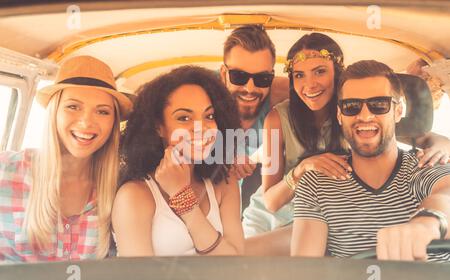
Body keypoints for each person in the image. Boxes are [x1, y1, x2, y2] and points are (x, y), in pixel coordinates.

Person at [243, 33, 450, 253]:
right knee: (240, 258)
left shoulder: (358, 113)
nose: (309, 84)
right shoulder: (277, 119)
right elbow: (271, 202)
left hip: (327, 216)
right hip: (277, 214)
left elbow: (398, 134)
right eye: (299, 75)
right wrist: (303, 168)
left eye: (320, 72)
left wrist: (442, 144)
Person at [292, 60, 449, 262]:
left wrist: (428, 223)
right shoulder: (317, 184)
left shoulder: (427, 165)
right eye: (351, 106)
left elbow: (445, 195)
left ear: (398, 111)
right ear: (340, 115)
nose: (365, 116)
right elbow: (305, 270)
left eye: (379, 105)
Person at [0, 55, 132, 263]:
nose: (86, 122)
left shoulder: (122, 188)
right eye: (73, 106)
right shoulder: (5, 171)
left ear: (113, 124)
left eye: (102, 111)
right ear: (54, 112)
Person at [112, 66, 244, 256]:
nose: (201, 128)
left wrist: (184, 201)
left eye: (209, 116)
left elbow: (236, 264)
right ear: (159, 127)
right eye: (184, 118)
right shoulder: (134, 196)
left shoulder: (225, 183)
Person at [220, 25, 289, 210]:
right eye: (238, 76)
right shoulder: (202, 94)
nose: (250, 88)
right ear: (223, 74)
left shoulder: (283, 93)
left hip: (256, 188)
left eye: (262, 79)